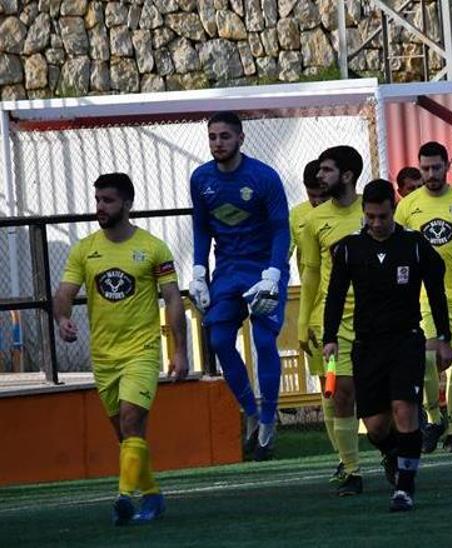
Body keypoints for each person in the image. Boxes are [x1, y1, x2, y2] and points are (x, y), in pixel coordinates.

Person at [54, 173, 188, 525]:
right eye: (98, 199)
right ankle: (153, 496)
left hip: (141, 352)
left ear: (127, 204)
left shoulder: (153, 247)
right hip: (104, 357)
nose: (100, 207)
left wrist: (180, 350)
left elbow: (172, 298)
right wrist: (63, 318)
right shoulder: (85, 249)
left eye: (108, 200)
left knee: (131, 418)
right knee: (127, 434)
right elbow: (64, 292)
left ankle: (124, 498)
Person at [323, 179, 452, 513]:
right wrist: (329, 338)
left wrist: (443, 337)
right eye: (370, 217)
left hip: (406, 340)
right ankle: (394, 453)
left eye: (382, 216)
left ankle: (404, 490)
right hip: (366, 346)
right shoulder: (350, 248)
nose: (377, 224)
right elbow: (335, 295)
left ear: (394, 210)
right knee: (377, 426)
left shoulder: (414, 244)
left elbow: (436, 290)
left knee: (404, 410)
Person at [187, 111, 290, 461]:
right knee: (217, 339)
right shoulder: (201, 179)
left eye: (225, 137)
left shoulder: (263, 177)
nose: (218, 143)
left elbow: (281, 228)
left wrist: (274, 273)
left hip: (264, 269)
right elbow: (201, 227)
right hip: (227, 269)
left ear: (241, 138)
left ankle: (268, 423)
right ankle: (250, 408)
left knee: (263, 340)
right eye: (213, 136)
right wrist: (199, 269)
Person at [394, 141, 452, 453]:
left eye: (436, 168)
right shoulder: (407, 207)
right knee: (428, 358)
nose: (430, 174)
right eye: (425, 169)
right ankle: (434, 418)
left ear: (447, 167)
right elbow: (397, 254)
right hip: (422, 297)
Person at [299, 146, 367, 495]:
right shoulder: (313, 219)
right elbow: (311, 273)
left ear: (347, 175)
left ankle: (387, 451)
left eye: (326, 170)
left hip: (374, 320)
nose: (319, 176)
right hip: (331, 322)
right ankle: (351, 467)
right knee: (336, 391)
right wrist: (302, 322)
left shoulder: (372, 211)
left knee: (377, 399)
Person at [289, 159, 347, 483]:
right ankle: (342, 456)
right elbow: (297, 266)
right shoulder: (299, 217)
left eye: (320, 198)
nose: (315, 204)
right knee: (330, 386)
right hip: (321, 320)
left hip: (361, 316)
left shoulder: (354, 213)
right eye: (311, 197)